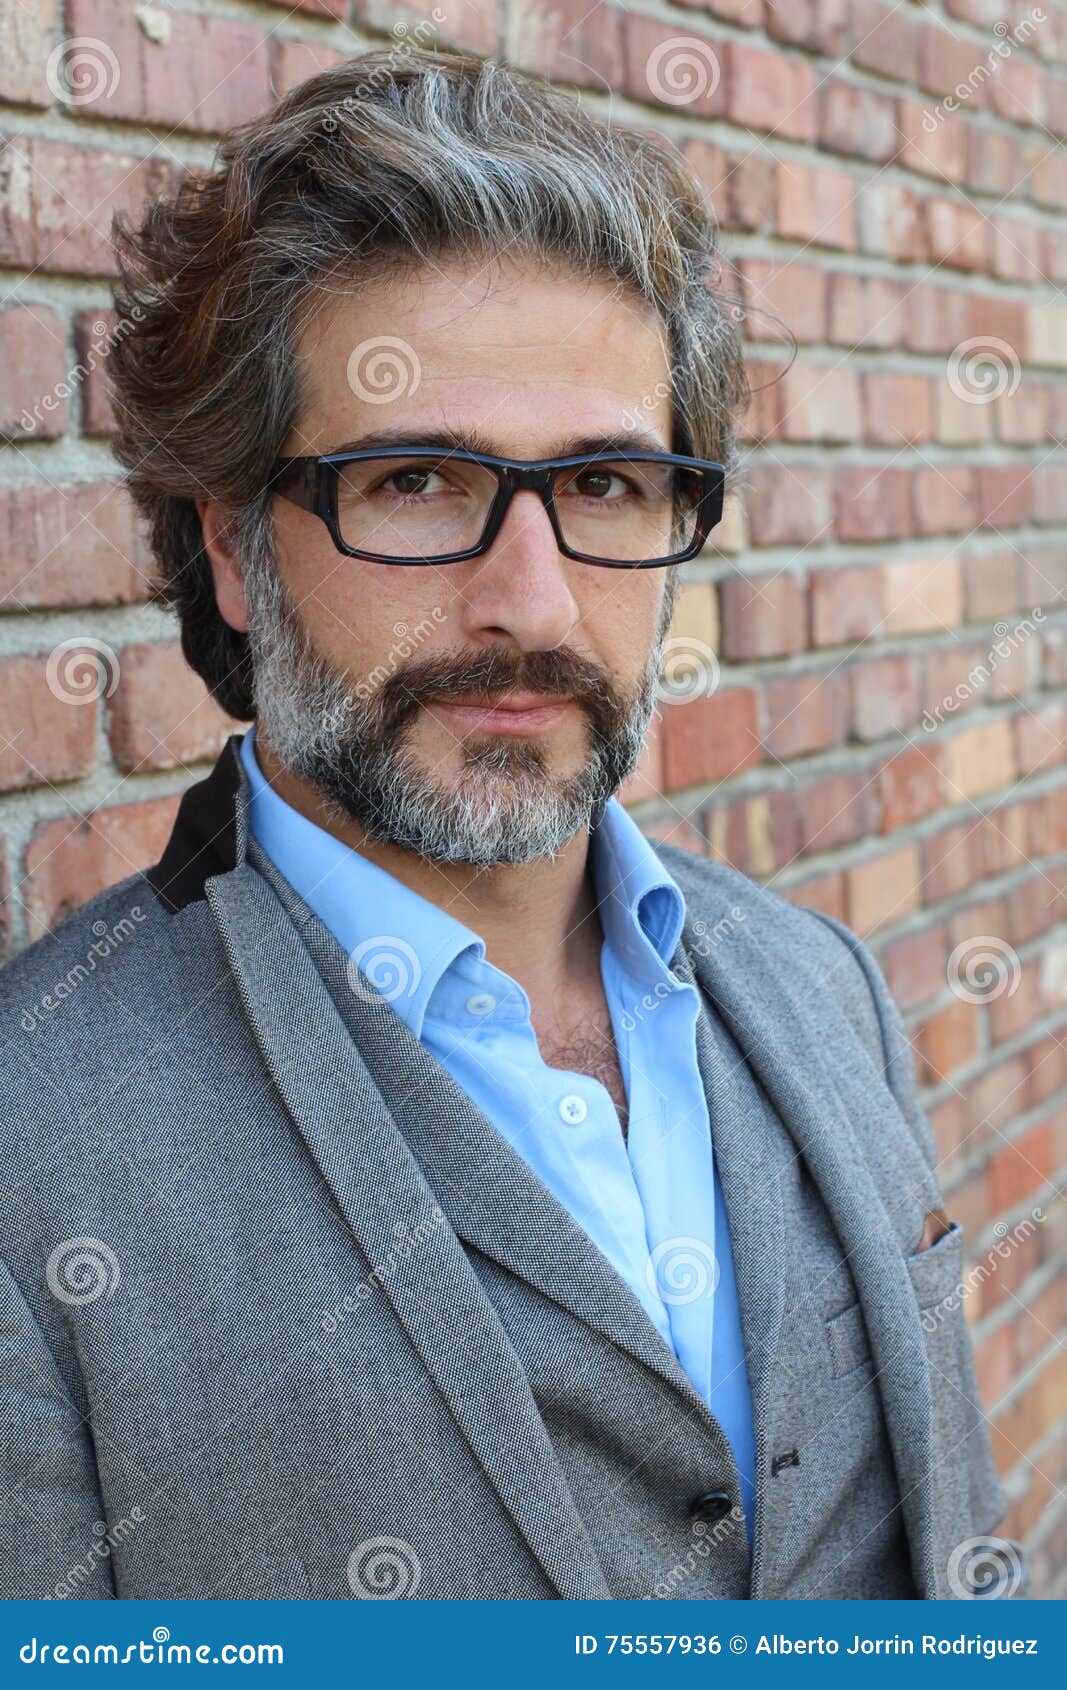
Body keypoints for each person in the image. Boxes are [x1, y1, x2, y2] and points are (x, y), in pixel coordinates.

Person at [0, 47, 1012, 1601]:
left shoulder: (824, 988)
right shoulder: (34, 1149)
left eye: (603, 482)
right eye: (415, 478)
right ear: (227, 545)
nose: (529, 602)